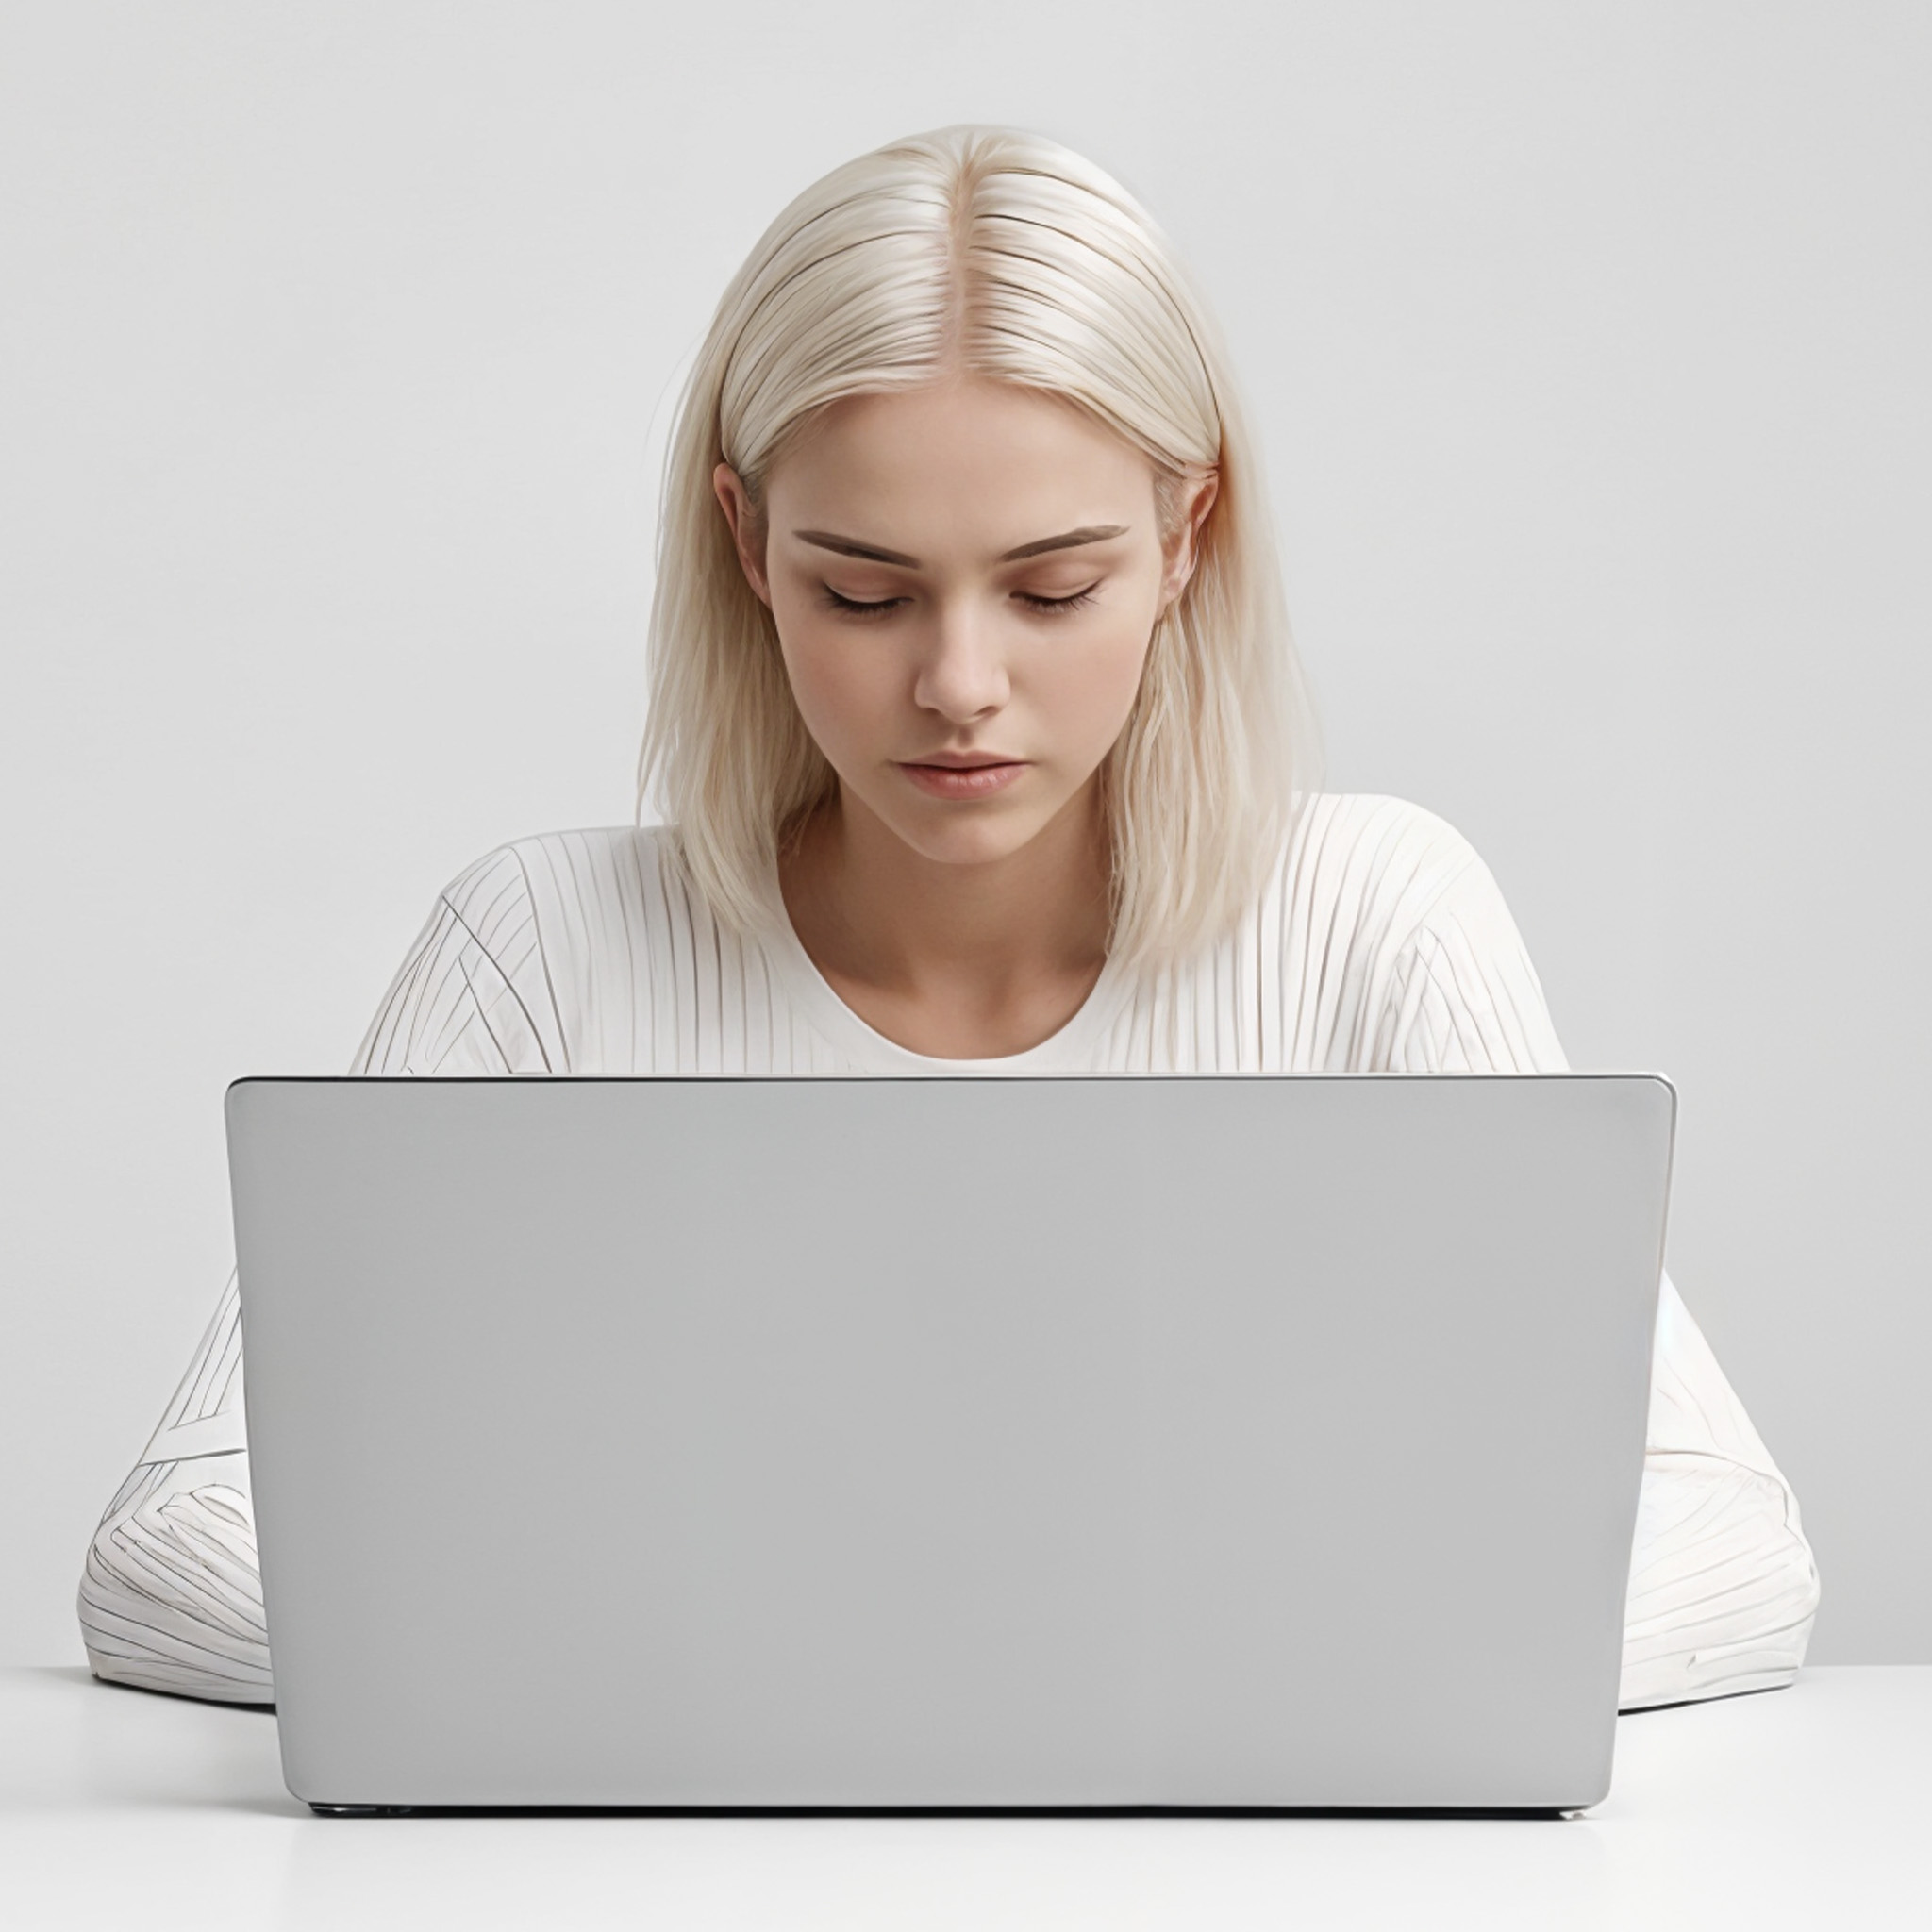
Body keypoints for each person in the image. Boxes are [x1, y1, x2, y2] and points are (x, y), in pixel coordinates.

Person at [78, 123, 1820, 1714]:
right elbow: (168, 1552)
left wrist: (878, 1642)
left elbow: (1735, 1546)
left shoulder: (1373, 925)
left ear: (1188, 537)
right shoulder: (544, 952)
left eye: (1057, 588)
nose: (960, 686)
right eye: (864, 591)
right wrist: (954, 1649)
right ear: (745, 546)